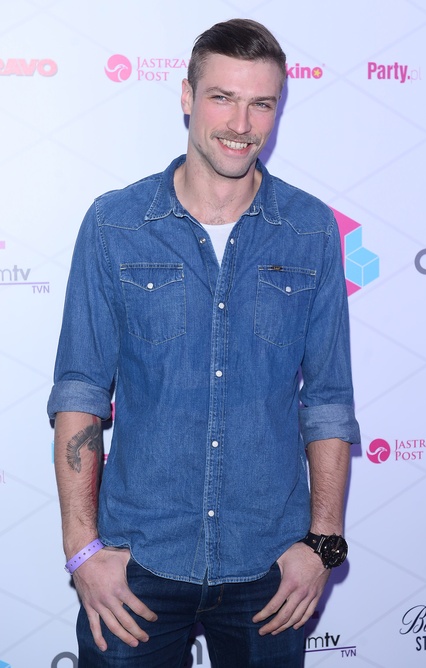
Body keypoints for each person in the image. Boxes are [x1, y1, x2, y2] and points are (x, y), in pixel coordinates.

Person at [48, 17, 360, 668]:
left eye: (261, 104)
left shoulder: (309, 230)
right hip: (138, 560)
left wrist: (323, 544)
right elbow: (80, 392)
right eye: (223, 97)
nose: (241, 124)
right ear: (188, 97)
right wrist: (82, 551)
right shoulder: (115, 224)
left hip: (270, 566)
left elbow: (329, 399)